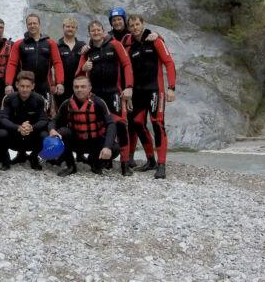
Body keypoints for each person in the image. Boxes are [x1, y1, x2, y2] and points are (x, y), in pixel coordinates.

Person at [76, 20, 134, 176]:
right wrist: (83, 68)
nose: (96, 32)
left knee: (120, 125)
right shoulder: (87, 51)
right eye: (92, 30)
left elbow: (127, 64)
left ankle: (124, 164)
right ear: (89, 33)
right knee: (100, 127)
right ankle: (101, 159)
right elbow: (78, 76)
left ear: (103, 31)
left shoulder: (114, 45)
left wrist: (128, 87)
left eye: (98, 29)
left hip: (113, 92)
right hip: (96, 95)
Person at [4, 13, 64, 164]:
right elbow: (12, 64)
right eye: (29, 23)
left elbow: (57, 63)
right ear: (27, 25)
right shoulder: (20, 43)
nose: (32, 25)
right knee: (23, 117)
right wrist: (9, 83)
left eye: (34, 23)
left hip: (44, 87)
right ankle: (22, 153)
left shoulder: (50, 43)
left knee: (47, 119)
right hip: (25, 87)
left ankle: (45, 153)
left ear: (39, 24)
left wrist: (60, 82)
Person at [125, 14, 176, 179]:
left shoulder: (155, 40)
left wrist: (171, 88)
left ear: (143, 24)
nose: (135, 28)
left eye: (137, 24)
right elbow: (126, 68)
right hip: (138, 92)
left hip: (155, 90)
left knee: (157, 124)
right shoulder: (129, 44)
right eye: (132, 25)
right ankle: (150, 160)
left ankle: (161, 165)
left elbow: (169, 63)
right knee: (137, 123)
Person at [48, 76, 117, 176]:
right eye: (76, 87)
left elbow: (111, 124)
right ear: (73, 88)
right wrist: (52, 130)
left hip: (95, 141)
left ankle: (96, 164)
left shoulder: (99, 103)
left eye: (83, 86)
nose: (79, 89)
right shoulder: (67, 104)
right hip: (76, 142)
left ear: (90, 88)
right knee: (62, 132)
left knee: (115, 147)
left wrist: (107, 146)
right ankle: (71, 166)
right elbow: (54, 121)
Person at [0, 71, 49, 170]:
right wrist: (18, 127)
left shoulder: (39, 99)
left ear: (33, 86)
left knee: (44, 134)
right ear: (16, 85)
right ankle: (5, 161)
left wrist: (32, 128)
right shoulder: (9, 98)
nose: (25, 89)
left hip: (31, 135)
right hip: (15, 134)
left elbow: (44, 120)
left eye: (28, 86)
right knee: (0, 133)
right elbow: (2, 118)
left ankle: (34, 158)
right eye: (22, 86)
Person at [55, 17, 86, 110]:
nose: (70, 29)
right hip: (62, 85)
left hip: (79, 85)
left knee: (79, 111)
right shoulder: (57, 46)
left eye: (73, 27)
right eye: (68, 26)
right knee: (62, 111)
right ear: (63, 27)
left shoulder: (82, 45)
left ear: (76, 29)